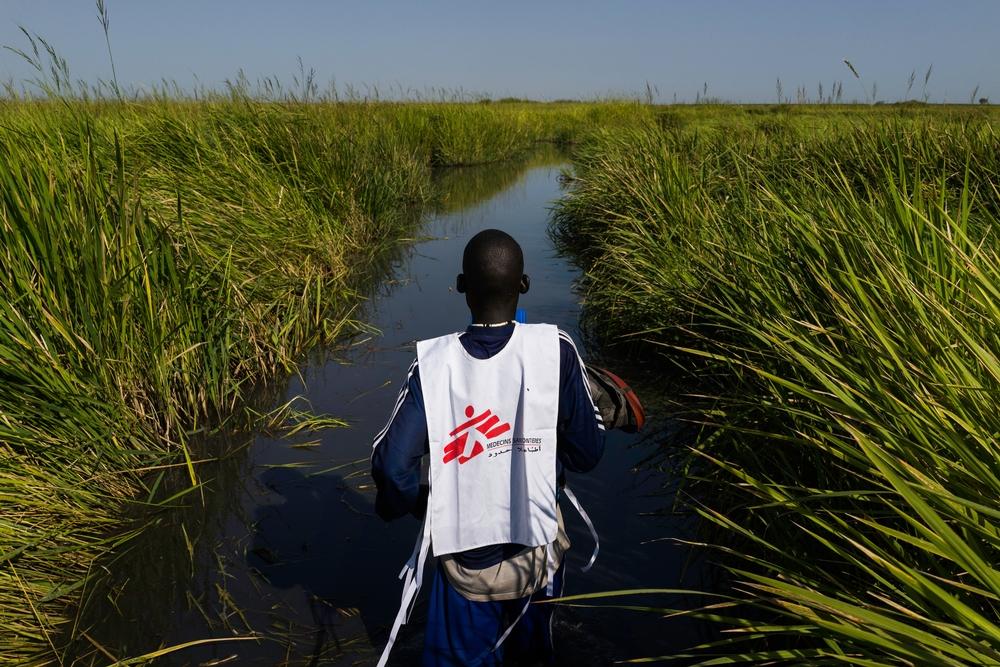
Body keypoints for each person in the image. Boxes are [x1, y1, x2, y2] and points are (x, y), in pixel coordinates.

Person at [371, 229, 608, 666]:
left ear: (462, 287)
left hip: (466, 569)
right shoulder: (556, 350)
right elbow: (587, 453)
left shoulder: (432, 367)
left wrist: (421, 507)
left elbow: (392, 467)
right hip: (536, 558)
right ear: (525, 285)